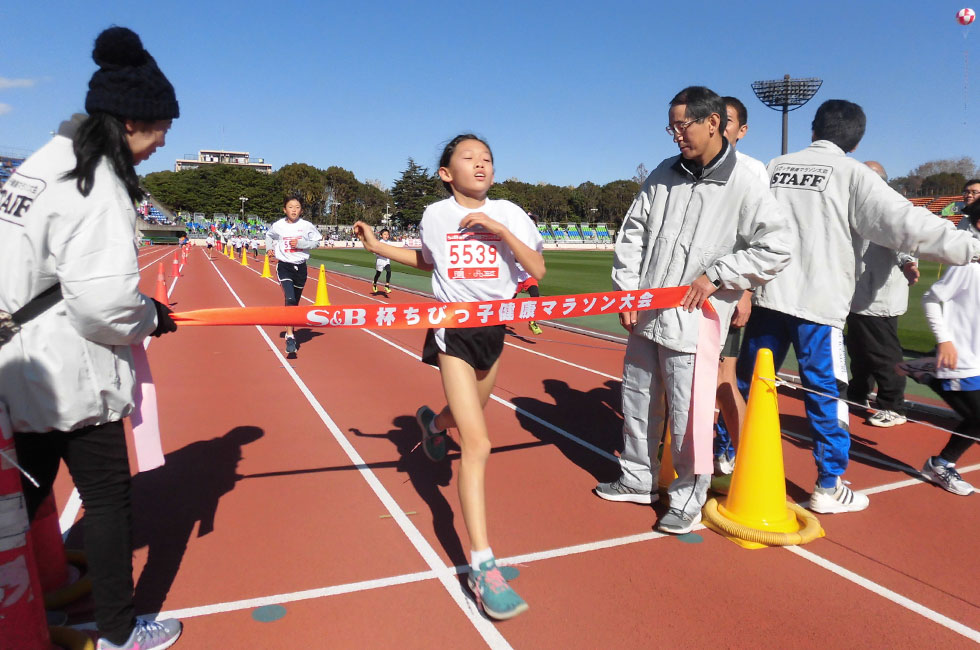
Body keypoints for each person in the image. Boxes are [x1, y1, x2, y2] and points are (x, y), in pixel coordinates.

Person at [0, 26, 182, 650]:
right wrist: (152, 316)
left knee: (20, 501)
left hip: (17, 359)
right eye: (160, 127)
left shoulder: (41, 163)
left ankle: (26, 607)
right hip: (66, 371)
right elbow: (104, 305)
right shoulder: (97, 183)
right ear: (131, 120)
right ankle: (117, 631)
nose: (162, 142)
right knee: (106, 500)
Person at [737, 99, 980, 515]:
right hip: (818, 305)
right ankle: (828, 486)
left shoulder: (775, 166)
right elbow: (906, 223)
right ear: (856, 139)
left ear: (813, 129)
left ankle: (725, 455)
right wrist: (970, 247)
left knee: (750, 381)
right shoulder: (852, 174)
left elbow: (741, 222)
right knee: (825, 394)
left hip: (767, 296)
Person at [353, 134, 544, 620]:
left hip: (493, 332)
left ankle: (432, 426)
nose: (480, 164)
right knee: (478, 443)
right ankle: (483, 566)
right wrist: (378, 246)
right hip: (452, 331)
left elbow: (537, 267)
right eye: (468, 158)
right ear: (445, 173)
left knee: (468, 417)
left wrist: (500, 231)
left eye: (487, 159)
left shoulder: (511, 212)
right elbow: (429, 259)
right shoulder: (436, 215)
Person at [595, 86, 791, 535]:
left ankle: (687, 498)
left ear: (713, 124)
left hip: (696, 320)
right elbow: (633, 232)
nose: (676, 135)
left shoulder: (745, 179)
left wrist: (720, 275)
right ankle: (638, 478)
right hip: (646, 312)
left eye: (682, 125)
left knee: (690, 411)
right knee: (639, 399)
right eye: (672, 126)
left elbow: (777, 246)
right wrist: (627, 290)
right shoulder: (664, 172)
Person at [712, 96, 772, 475]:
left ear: (742, 130)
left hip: (728, 292)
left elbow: (756, 241)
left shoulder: (752, 172)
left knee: (723, 379)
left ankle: (748, 459)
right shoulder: (692, 168)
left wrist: (746, 293)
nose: (720, 128)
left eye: (728, 121)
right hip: (688, 293)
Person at [846, 161, 919, 427]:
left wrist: (908, 263)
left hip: (879, 297)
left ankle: (893, 406)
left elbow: (902, 241)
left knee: (883, 354)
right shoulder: (857, 205)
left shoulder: (890, 207)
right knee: (859, 352)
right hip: (856, 294)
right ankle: (857, 394)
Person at [916, 200, 980, 495]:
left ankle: (929, 372)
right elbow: (930, 298)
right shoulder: (968, 265)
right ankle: (940, 465)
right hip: (964, 358)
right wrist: (944, 339)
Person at [265, 194, 322, 355]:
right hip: (284, 266)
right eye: (291, 207)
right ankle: (290, 336)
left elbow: (317, 241)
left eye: (297, 207)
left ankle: (291, 327)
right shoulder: (278, 225)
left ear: (301, 210)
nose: (294, 210)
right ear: (285, 209)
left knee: (294, 303)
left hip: (301, 268)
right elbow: (269, 235)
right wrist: (269, 247)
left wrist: (302, 244)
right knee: (289, 298)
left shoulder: (306, 226)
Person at [513, 262, 543, 335]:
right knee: (508, 302)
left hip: (527, 276)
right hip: (514, 278)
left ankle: (532, 321)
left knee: (535, 295)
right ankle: (495, 321)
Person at [372, 228, 393, 294]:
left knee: (389, 271)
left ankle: (387, 285)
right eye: (385, 234)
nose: (386, 236)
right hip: (380, 260)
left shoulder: (389, 243)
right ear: (381, 235)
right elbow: (374, 252)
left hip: (386, 260)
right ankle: (374, 283)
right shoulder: (379, 243)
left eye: (387, 234)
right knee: (378, 274)